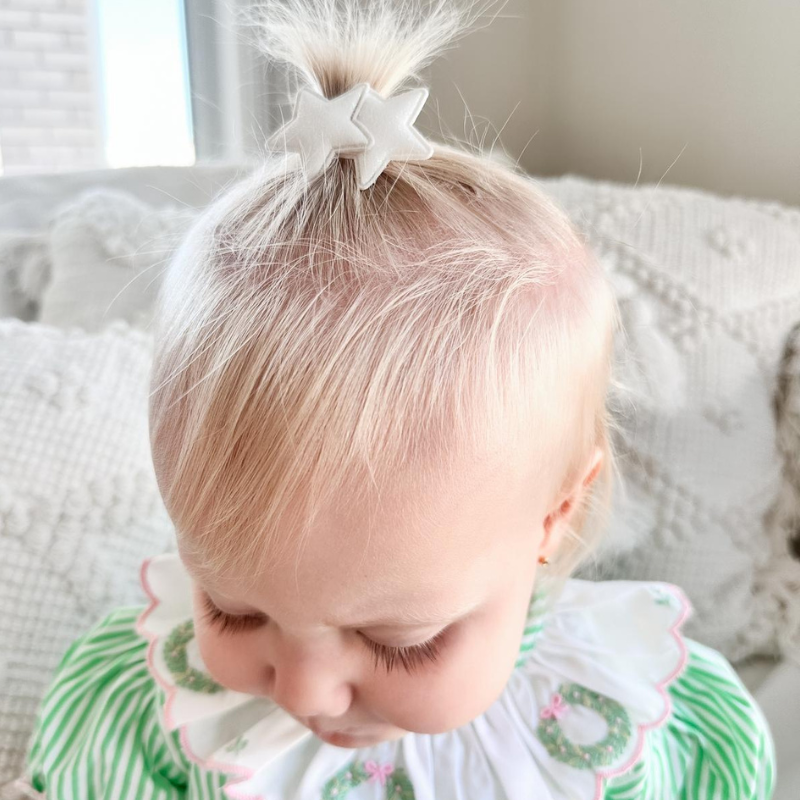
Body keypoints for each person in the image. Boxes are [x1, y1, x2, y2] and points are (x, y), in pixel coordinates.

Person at [8, 1, 775, 798]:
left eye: (399, 643)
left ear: (555, 514)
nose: (304, 692)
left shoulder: (626, 726)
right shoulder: (147, 715)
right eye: (231, 609)